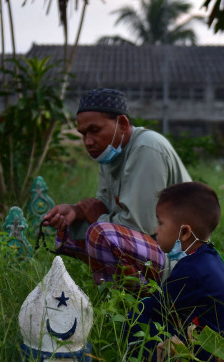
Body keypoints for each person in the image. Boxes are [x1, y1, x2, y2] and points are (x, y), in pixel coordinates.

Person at [42, 88, 191, 291]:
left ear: (121, 124)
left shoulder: (146, 148)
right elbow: (103, 204)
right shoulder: (110, 154)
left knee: (100, 232)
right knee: (68, 230)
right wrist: (75, 211)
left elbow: (140, 226)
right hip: (152, 246)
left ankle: (146, 302)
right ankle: (120, 290)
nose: (88, 141)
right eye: (83, 134)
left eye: (95, 130)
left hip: (181, 259)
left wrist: (96, 218)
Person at [126, 182, 224, 362]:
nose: (156, 229)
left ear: (185, 232)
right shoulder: (208, 258)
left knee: (137, 320)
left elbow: (156, 308)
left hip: (207, 358)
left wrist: (134, 301)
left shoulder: (191, 270)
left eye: (160, 223)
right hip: (217, 347)